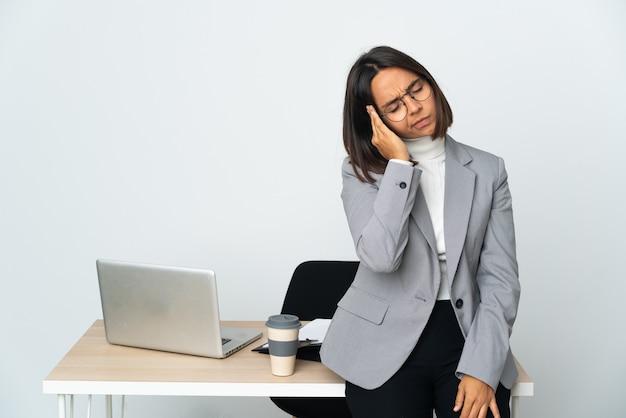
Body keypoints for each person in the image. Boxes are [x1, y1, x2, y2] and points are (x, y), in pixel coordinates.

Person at [320, 46, 521, 418]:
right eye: (394, 106)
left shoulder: (489, 170)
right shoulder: (362, 172)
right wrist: (399, 165)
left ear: (431, 85)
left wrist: (482, 365)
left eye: (416, 90)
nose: (413, 108)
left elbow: (500, 280)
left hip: (465, 333)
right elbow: (380, 257)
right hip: (381, 341)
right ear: (374, 119)